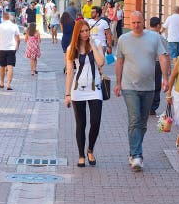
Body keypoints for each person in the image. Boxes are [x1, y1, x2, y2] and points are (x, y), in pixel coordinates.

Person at [114, 11, 170, 172]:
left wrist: (165, 79)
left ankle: (134, 151)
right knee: (134, 119)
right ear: (129, 24)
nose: (136, 25)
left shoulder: (154, 38)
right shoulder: (124, 40)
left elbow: (163, 57)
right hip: (129, 86)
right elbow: (119, 62)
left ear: (143, 22)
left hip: (149, 87)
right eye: (133, 23)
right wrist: (118, 83)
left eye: (139, 22)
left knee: (143, 123)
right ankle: (136, 155)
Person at [64, 20, 106, 168]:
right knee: (81, 124)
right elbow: (69, 72)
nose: (85, 33)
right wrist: (67, 94)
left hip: (95, 89)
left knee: (95, 121)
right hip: (78, 91)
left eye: (87, 30)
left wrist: (93, 46)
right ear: (77, 33)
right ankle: (81, 155)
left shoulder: (97, 43)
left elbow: (101, 62)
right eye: (82, 31)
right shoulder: (71, 49)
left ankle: (90, 149)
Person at [148, 17, 169, 115]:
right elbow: (165, 54)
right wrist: (168, 68)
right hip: (157, 63)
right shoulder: (161, 38)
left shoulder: (144, 35)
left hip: (145, 63)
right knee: (156, 85)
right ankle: (152, 107)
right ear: (158, 26)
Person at [0, 11, 21, 90]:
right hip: (11, 48)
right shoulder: (14, 26)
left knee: (2, 66)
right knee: (10, 67)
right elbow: (18, 39)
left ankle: (2, 82)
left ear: (3, 17)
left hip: (2, 48)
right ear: (9, 17)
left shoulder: (0, 26)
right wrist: (17, 46)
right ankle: (9, 84)